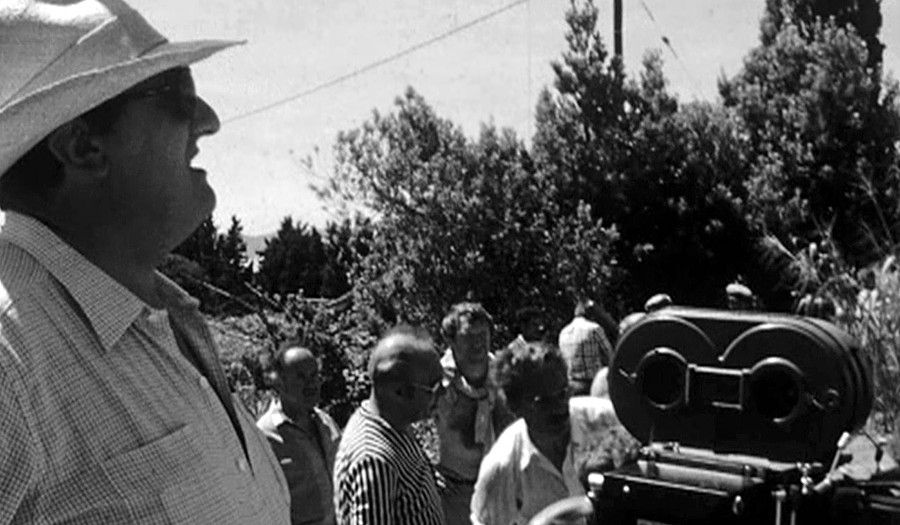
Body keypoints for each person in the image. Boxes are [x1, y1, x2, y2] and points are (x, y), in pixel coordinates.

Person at [0, 2, 289, 523]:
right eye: (178, 95)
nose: (209, 120)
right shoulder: (11, 358)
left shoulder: (168, 317)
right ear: (84, 146)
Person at [470, 341, 639, 525]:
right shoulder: (502, 466)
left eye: (563, 393)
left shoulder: (608, 421)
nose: (559, 407)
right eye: (543, 401)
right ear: (514, 406)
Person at [334, 326, 446, 525]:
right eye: (434, 386)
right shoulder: (373, 460)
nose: (443, 394)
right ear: (399, 392)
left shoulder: (396, 425)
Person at [434, 302, 514, 525]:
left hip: (500, 492)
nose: (478, 344)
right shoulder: (439, 384)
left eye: (482, 336)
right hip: (455, 494)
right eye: (469, 337)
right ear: (451, 341)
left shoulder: (504, 377)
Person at [257, 346, 342, 525]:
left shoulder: (326, 422)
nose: (311, 384)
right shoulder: (264, 437)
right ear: (279, 382)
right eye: (301, 377)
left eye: (314, 375)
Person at [558, 298, 615, 395]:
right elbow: (610, 355)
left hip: (571, 386)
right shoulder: (594, 329)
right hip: (592, 384)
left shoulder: (563, 332)